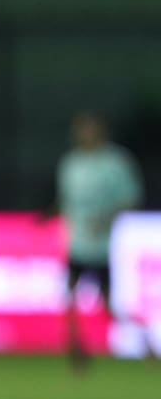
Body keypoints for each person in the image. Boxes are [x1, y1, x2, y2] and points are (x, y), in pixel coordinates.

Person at [53, 110, 143, 369]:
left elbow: (131, 198)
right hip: (77, 244)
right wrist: (50, 213)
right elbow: (66, 200)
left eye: (90, 128)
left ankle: (148, 344)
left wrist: (106, 219)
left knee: (109, 306)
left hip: (102, 247)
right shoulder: (71, 163)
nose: (85, 134)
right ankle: (75, 349)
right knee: (68, 296)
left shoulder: (116, 162)